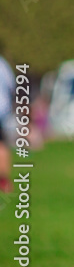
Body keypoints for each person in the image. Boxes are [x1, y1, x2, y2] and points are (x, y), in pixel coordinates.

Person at [0, 56, 14, 194]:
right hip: (2, 109)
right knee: (2, 144)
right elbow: (11, 86)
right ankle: (4, 181)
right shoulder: (2, 63)